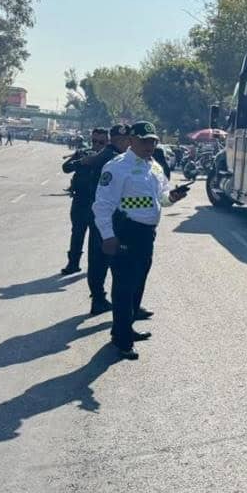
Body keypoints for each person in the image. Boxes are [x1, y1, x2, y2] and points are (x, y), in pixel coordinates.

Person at [93, 122, 187, 360]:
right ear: (131, 141)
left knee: (138, 283)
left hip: (147, 234)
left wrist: (172, 197)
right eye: (145, 141)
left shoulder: (154, 167)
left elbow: (161, 199)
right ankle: (122, 340)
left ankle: (125, 327)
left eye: (153, 141)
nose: (150, 145)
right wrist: (108, 235)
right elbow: (103, 205)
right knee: (124, 286)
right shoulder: (117, 167)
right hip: (125, 232)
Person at [76, 124, 131, 315]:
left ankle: (100, 299)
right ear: (114, 139)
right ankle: (103, 300)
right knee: (105, 260)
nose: (126, 142)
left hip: (102, 213)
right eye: (122, 139)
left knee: (99, 259)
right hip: (107, 215)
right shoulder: (112, 157)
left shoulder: (107, 156)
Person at [59, 128, 109, 276]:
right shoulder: (83, 153)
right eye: (94, 141)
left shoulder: (110, 158)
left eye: (101, 142)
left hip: (99, 203)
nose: (97, 145)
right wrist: (82, 162)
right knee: (77, 233)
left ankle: (94, 267)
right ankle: (73, 263)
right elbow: (66, 168)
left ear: (107, 142)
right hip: (80, 200)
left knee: (96, 237)